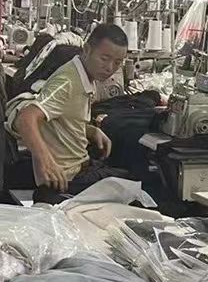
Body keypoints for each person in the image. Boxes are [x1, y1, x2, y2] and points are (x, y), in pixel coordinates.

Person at [10, 22, 131, 202]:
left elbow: (61, 117)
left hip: (79, 169)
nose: (110, 68)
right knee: (140, 184)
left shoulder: (84, 76)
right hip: (67, 181)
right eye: (104, 58)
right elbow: (26, 118)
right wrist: (46, 161)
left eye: (117, 63)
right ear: (87, 50)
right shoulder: (68, 81)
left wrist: (89, 130)